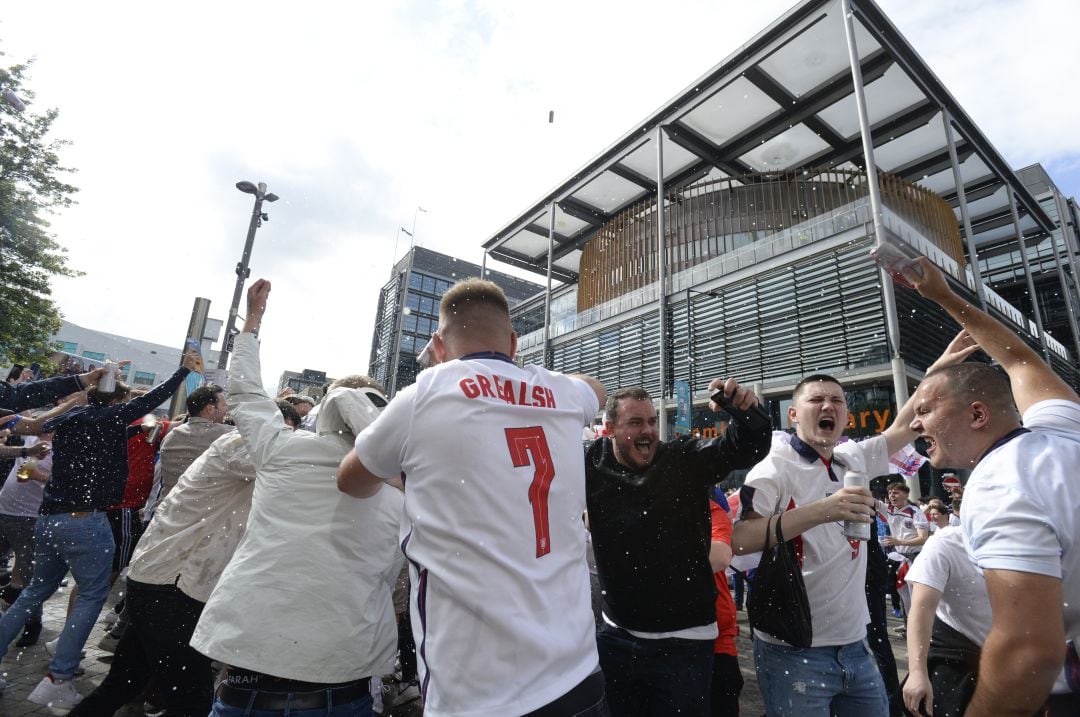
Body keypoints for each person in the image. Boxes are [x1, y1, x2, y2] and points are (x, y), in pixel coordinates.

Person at [338, 277, 608, 717]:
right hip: (579, 678)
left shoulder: (425, 394)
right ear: (514, 343)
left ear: (438, 345)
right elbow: (595, 389)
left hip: (479, 694)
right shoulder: (560, 393)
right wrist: (540, 385)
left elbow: (350, 479)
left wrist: (409, 476)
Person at [730, 332, 976, 717]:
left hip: (857, 647)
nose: (827, 405)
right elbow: (740, 539)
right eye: (816, 400)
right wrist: (824, 510)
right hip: (794, 651)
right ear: (793, 415)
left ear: (845, 416)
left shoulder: (851, 457)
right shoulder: (774, 467)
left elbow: (905, 426)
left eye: (836, 401)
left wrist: (937, 369)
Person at [191, 279, 403, 717]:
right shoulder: (406, 484)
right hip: (343, 673)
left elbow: (246, 392)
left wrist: (251, 325)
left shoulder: (281, 449)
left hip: (249, 665)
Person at [902, 256, 1080, 715]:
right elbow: (1018, 358)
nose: (913, 422)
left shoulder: (999, 486)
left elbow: (1028, 654)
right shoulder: (1063, 427)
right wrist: (942, 296)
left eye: (924, 410)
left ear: (978, 415)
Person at [69, 400, 302, 717]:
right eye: (283, 431)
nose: (287, 440)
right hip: (173, 585)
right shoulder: (239, 445)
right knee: (191, 701)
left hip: (161, 580)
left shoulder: (248, 452)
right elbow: (295, 462)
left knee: (124, 683)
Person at [0, 353, 196, 708]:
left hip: (48, 518)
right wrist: (184, 369)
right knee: (92, 593)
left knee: (32, 593)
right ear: (118, 402)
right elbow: (154, 399)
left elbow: (116, 421)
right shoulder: (111, 416)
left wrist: (81, 396)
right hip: (84, 520)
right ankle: (59, 676)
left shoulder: (73, 417)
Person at [586, 383, 770, 716]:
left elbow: (747, 447)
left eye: (653, 422)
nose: (648, 432)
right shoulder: (591, 462)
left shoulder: (684, 459)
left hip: (685, 641)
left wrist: (746, 412)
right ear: (610, 429)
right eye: (636, 423)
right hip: (618, 636)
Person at [902, 518, 990, 717]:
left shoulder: (1035, 541)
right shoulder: (947, 542)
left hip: (1019, 661)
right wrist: (917, 671)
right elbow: (921, 608)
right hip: (957, 659)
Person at [882, 481, 928, 618]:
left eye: (895, 493)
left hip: (916, 558)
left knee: (918, 598)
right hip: (899, 558)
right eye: (890, 493)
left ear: (906, 495)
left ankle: (925, 629)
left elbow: (923, 538)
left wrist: (899, 541)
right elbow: (871, 502)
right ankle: (910, 627)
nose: (892, 496)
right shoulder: (889, 510)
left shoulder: (915, 513)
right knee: (904, 597)